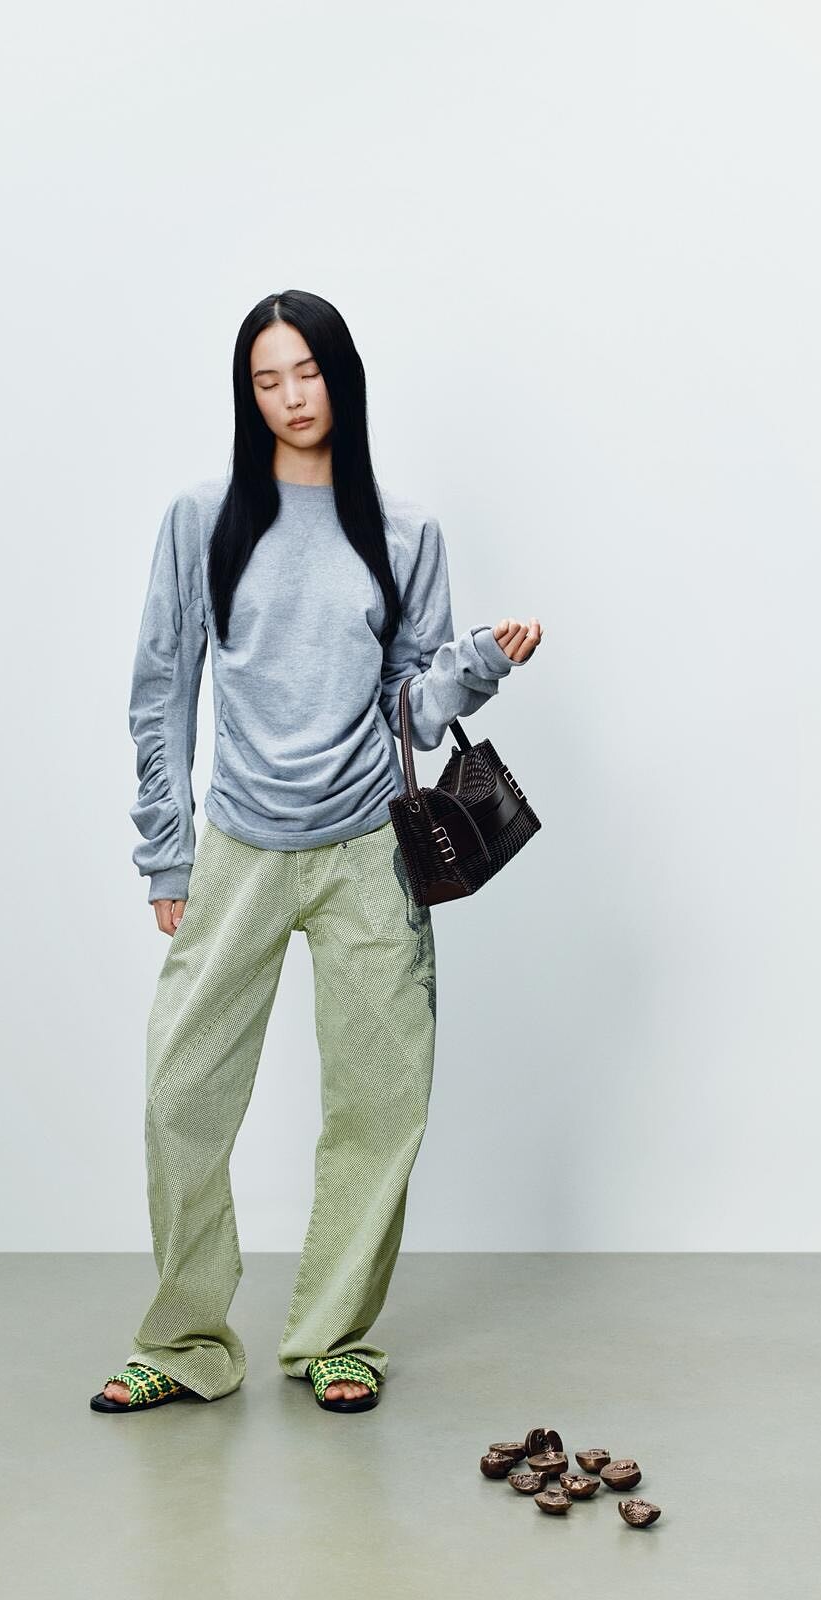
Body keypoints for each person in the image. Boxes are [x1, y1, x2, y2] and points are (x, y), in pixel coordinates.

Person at [91, 289, 543, 1417]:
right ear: (247, 396)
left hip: (368, 855)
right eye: (267, 379)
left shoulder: (404, 532)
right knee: (181, 1092)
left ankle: (333, 1336)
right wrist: (166, 855)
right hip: (238, 847)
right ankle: (185, 1343)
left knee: (379, 1105)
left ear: (342, 378)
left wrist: (479, 663)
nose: (292, 397)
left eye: (308, 372)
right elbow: (162, 688)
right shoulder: (203, 519)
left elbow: (409, 704)